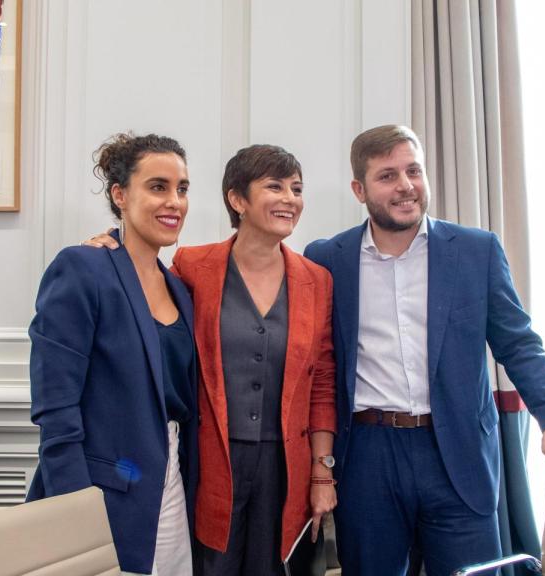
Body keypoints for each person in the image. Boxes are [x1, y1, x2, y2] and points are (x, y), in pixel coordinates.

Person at [302, 124, 545, 576]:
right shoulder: (326, 259)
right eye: (388, 175)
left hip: (456, 451)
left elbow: (518, 345)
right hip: (369, 454)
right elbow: (314, 364)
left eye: (413, 170)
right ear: (360, 189)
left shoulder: (476, 251)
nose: (405, 186)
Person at [85, 144, 337, 575]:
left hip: (285, 466)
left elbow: (323, 383)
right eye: (274, 186)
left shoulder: (317, 280)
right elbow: (146, 299)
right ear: (237, 199)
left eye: (296, 188)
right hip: (210, 459)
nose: (290, 198)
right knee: (210, 565)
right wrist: (112, 247)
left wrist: (322, 473)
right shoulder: (193, 266)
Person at [27, 133, 198, 576]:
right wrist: (76, 512)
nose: (174, 201)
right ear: (120, 195)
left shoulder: (178, 285)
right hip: (104, 495)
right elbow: (55, 409)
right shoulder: (84, 268)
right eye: (158, 186)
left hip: (172, 491)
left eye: (182, 189)